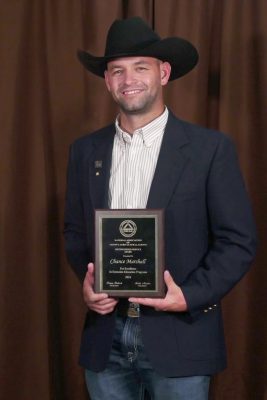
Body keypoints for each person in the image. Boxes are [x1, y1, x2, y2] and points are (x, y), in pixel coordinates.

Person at [64, 17, 257, 400]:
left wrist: (189, 295)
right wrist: (89, 283)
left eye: (140, 67)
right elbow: (75, 231)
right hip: (106, 340)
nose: (128, 79)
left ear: (164, 73)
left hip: (181, 340)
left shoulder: (209, 149)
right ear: (107, 80)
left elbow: (238, 241)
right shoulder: (85, 151)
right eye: (117, 70)